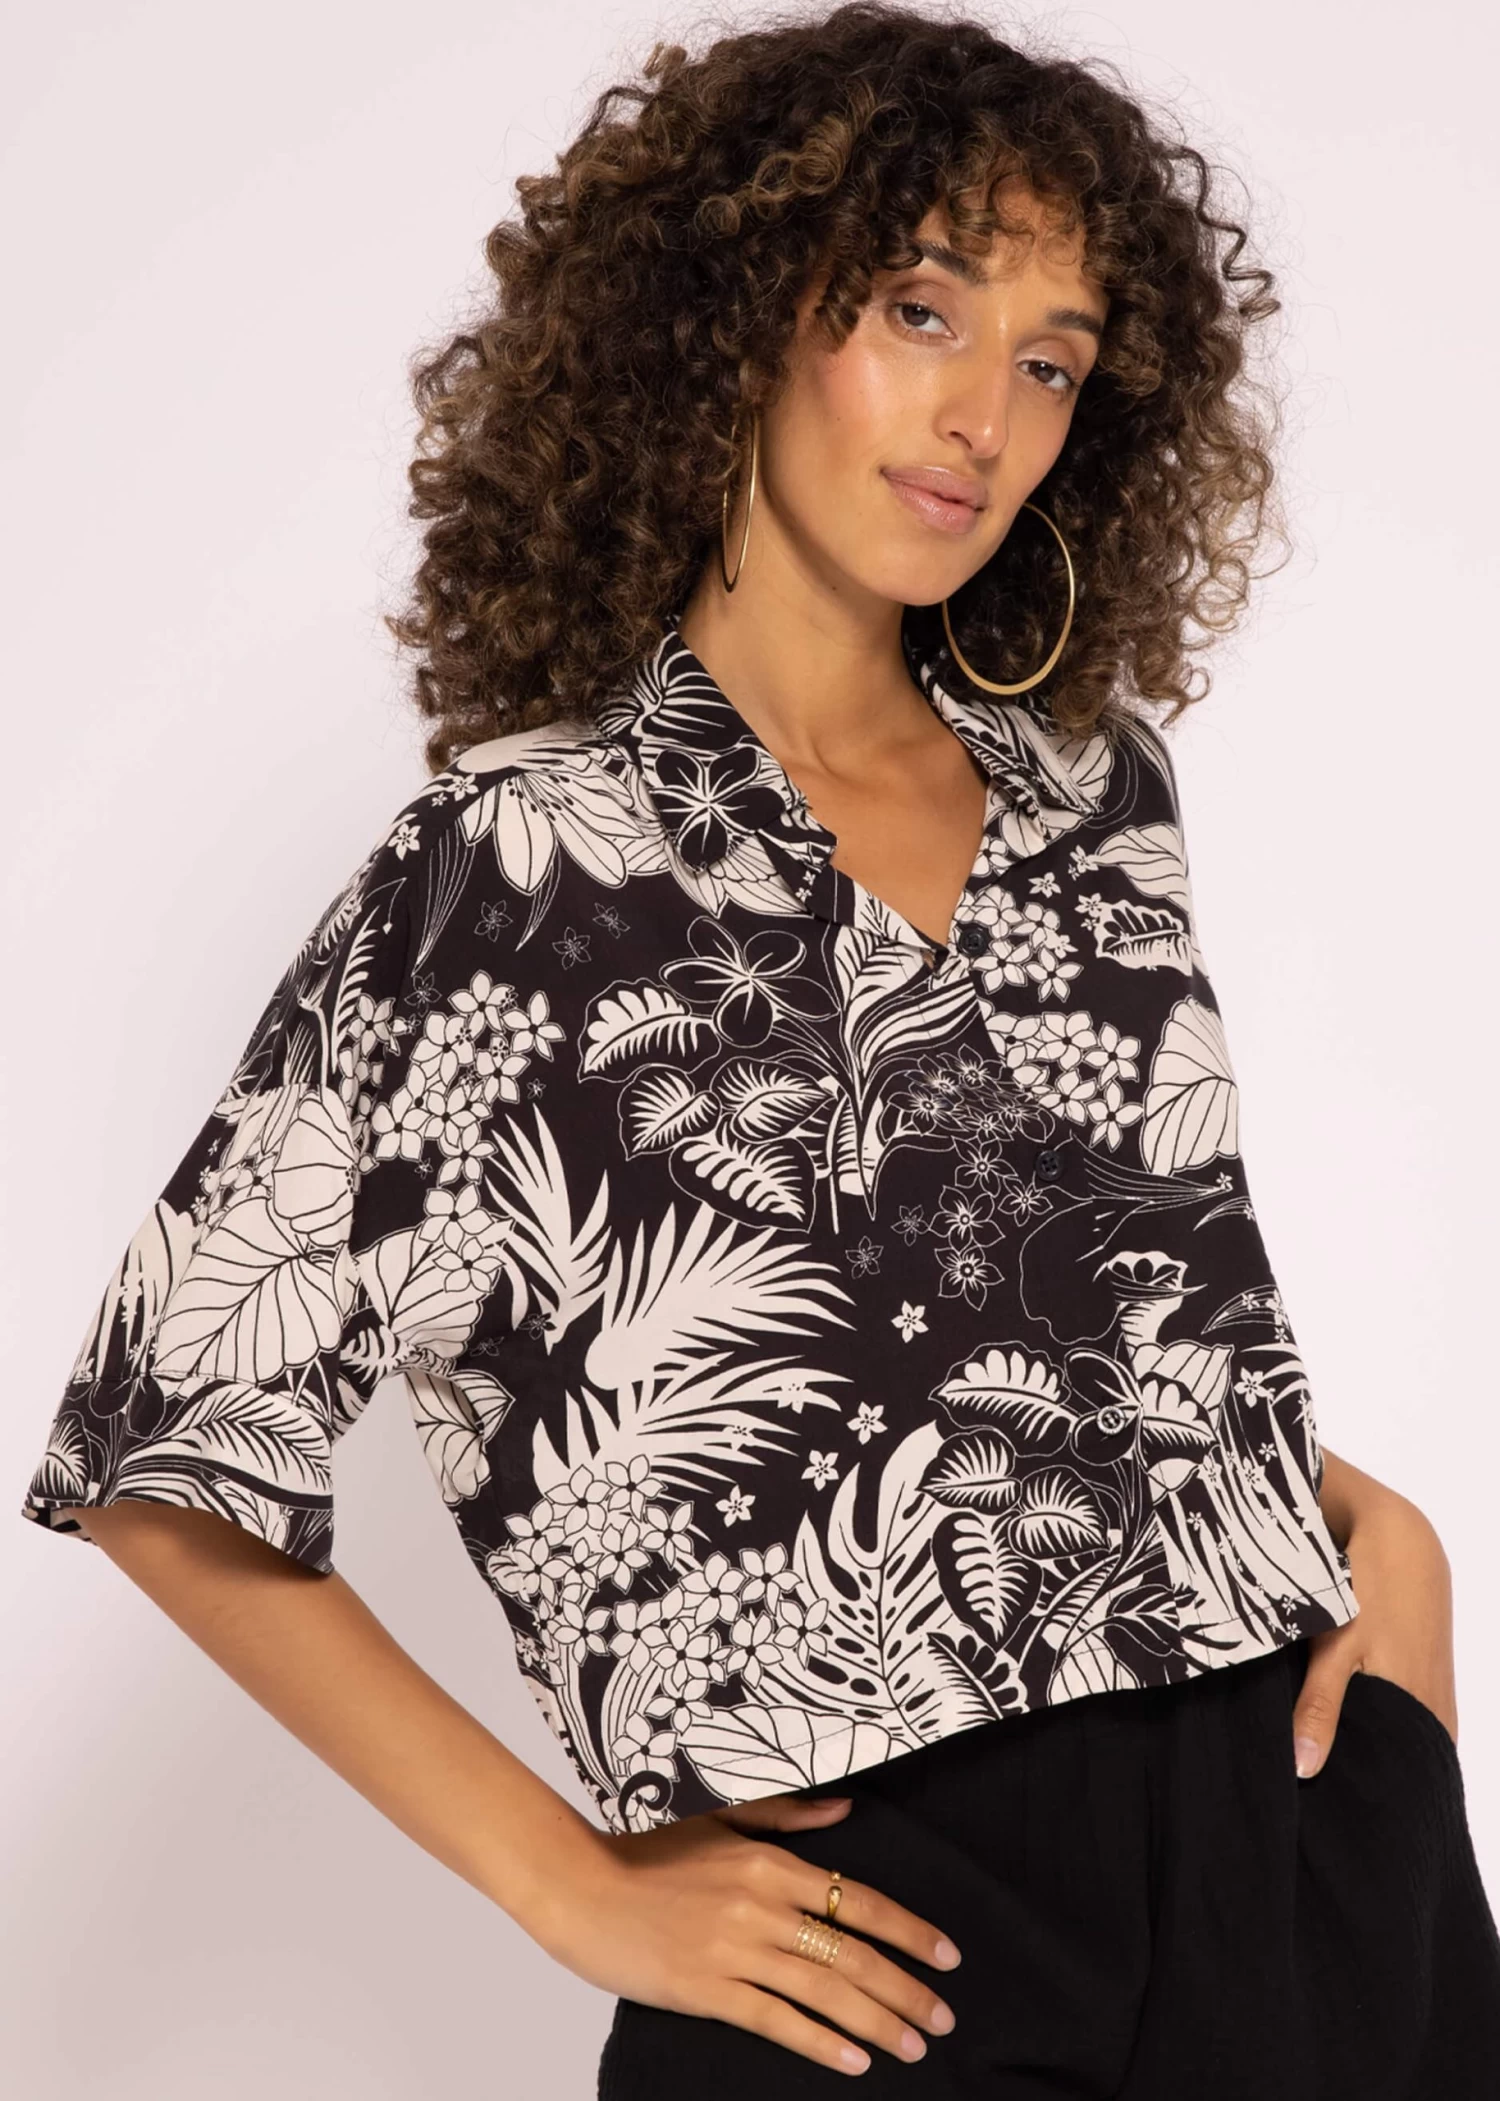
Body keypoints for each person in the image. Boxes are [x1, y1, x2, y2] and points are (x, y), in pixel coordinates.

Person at [19, 4, 1500, 2094]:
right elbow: (162, 1447)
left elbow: (1095, 1313)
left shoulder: (1098, 796)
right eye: (921, 310)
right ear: (733, 317)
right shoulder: (513, 869)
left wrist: (1388, 1549)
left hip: (1312, 1837)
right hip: (878, 1935)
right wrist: (569, 1885)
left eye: (1052, 362)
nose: (983, 416)